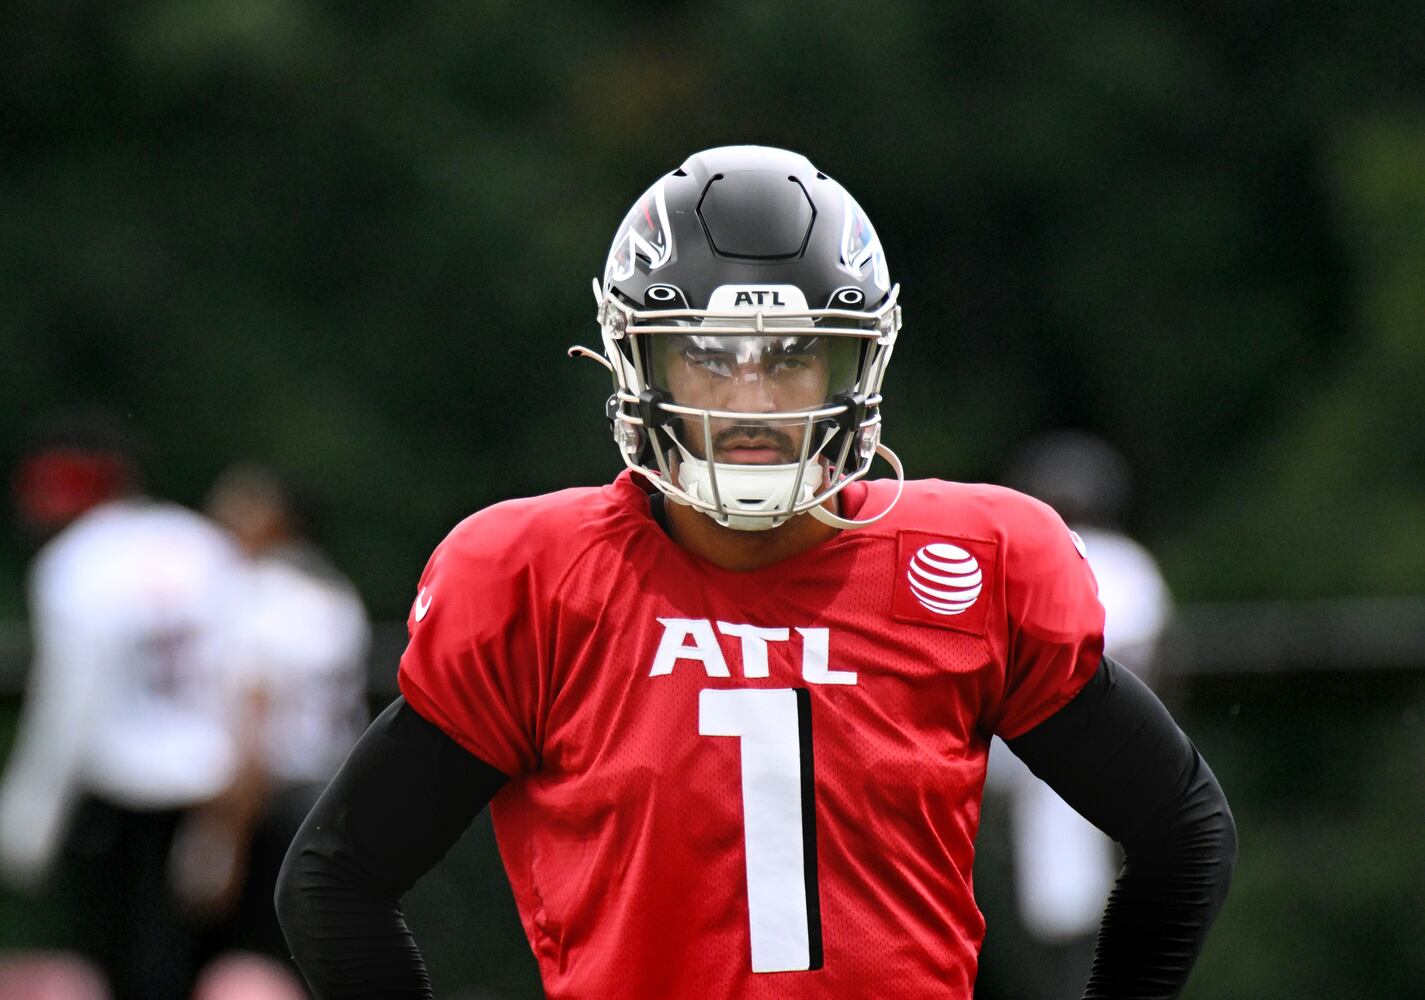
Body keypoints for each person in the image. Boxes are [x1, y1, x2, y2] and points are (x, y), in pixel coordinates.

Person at [277, 146, 1236, 999]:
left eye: (790, 357)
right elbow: (334, 881)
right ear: (640, 362)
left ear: (852, 368)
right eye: (706, 356)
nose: (750, 400)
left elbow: (1182, 834)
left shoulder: (967, 564)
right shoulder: (538, 578)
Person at [0, 411, 241, 1000]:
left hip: (117, 788)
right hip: (213, 783)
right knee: (195, 964)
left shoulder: (75, 562)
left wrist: (30, 814)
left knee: (115, 960)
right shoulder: (200, 542)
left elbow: (70, 702)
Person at [976, 431, 1176, 999]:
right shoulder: (1128, 564)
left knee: (1046, 932)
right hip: (1103, 763)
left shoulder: (1023, 559)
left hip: (1034, 764)